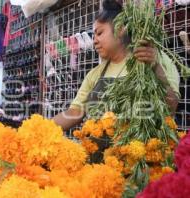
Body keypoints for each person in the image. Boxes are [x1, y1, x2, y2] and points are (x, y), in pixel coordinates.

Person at [53, 0, 180, 161]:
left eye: (99, 33)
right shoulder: (95, 74)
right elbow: (74, 112)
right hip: (99, 164)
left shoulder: (154, 59)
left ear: (120, 29)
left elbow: (171, 108)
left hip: (142, 162)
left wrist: (156, 68)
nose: (94, 41)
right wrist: (42, 129)